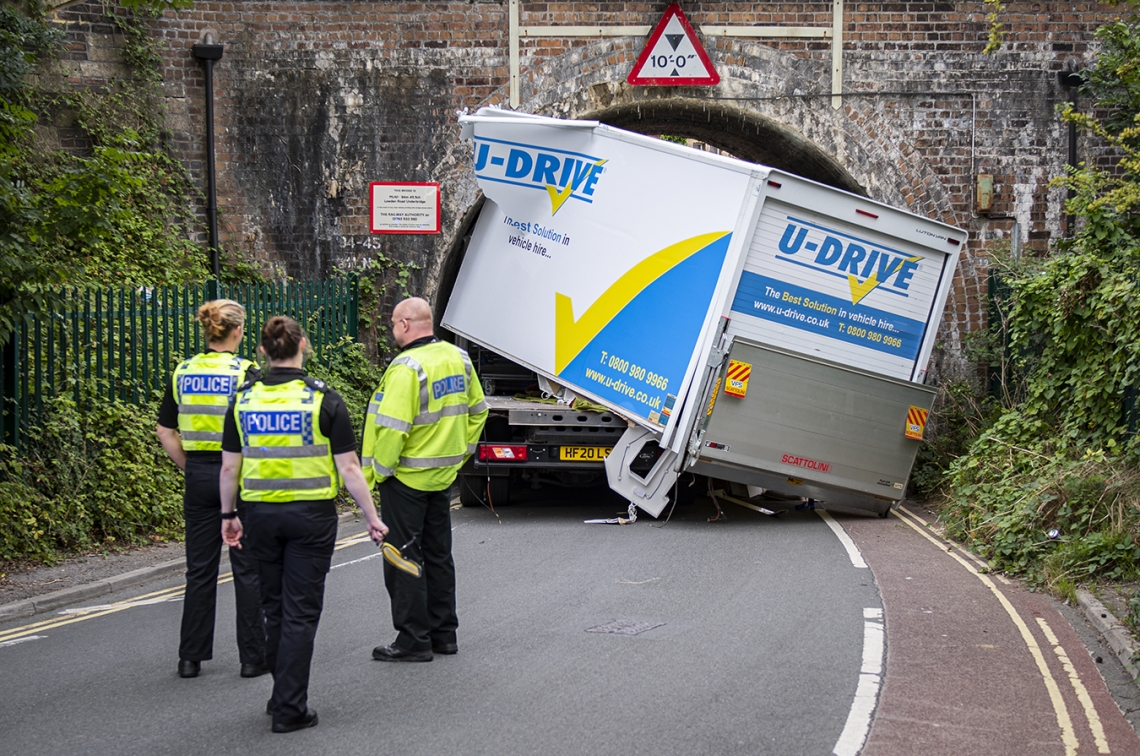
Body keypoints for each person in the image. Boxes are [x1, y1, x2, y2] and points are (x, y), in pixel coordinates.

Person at [220, 315, 386, 734]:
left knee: (274, 607)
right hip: (311, 518)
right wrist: (372, 517)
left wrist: (228, 515)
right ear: (303, 346)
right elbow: (349, 468)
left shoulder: (243, 400)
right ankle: (290, 708)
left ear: (262, 351)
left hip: (259, 515)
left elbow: (229, 469)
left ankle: (282, 695)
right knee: (301, 611)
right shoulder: (324, 400)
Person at [362, 296, 488, 662]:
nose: (392, 330)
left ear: (404, 324)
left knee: (402, 557)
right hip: (441, 476)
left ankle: (413, 639)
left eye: (392, 324)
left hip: (405, 478)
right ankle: (443, 634)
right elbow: (479, 411)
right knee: (438, 556)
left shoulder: (407, 367)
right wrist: (460, 453)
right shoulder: (459, 358)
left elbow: (392, 429)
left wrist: (380, 471)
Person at [156, 299, 268, 680]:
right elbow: (257, 427)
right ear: (237, 331)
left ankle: (190, 659)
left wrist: (191, 467)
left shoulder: (183, 371)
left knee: (199, 570)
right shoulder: (245, 372)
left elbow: (165, 431)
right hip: (237, 474)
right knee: (247, 567)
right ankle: (252, 658)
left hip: (199, 474)